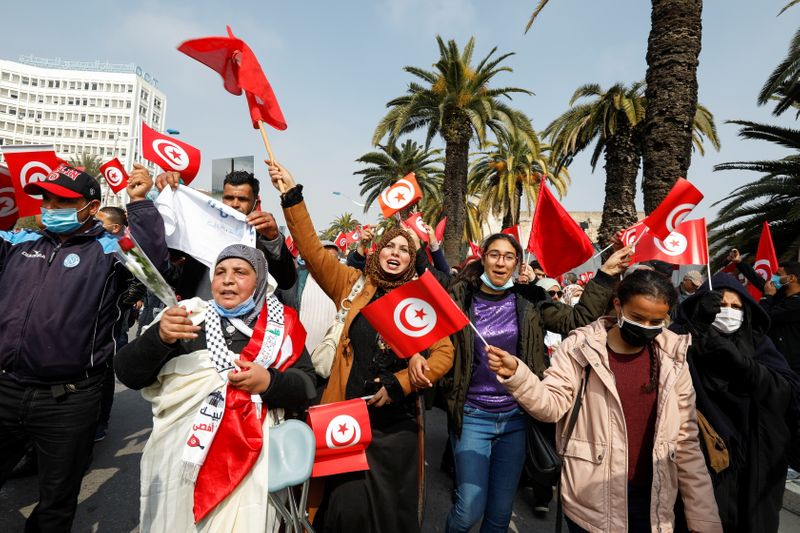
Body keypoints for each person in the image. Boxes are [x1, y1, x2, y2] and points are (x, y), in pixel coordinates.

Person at [268, 161, 454, 533]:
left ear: (411, 258)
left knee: (389, 518)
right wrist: (292, 197)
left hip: (395, 430)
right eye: (391, 245)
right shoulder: (353, 284)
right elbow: (313, 253)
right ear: (377, 250)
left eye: (405, 248)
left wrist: (402, 383)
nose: (397, 252)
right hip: (346, 418)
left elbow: (444, 355)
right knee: (344, 510)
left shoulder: (419, 299)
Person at [0, 163, 169, 532]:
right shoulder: (18, 242)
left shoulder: (109, 250)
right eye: (46, 198)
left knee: (56, 502)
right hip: (7, 388)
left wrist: (140, 204)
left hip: (70, 399)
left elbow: (153, 264)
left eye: (62, 200)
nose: (50, 205)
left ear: (91, 208)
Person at [488, 269, 722, 533]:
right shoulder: (580, 349)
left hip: (654, 503)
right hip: (592, 503)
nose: (645, 328)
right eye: (637, 317)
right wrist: (518, 376)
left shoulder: (674, 360)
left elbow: (686, 443)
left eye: (656, 321)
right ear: (618, 305)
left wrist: (704, 519)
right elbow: (551, 405)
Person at [437, 234, 631, 533]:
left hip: (517, 418)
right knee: (468, 510)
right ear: (483, 258)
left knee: (500, 514)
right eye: (494, 255)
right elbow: (432, 331)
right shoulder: (460, 296)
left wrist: (605, 275)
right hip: (473, 417)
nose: (501, 262)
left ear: (517, 263)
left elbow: (576, 319)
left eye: (508, 256)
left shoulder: (531, 299)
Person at [115, 243, 315, 531]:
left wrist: (269, 382)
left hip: (252, 464)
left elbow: (307, 387)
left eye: (240, 272)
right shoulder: (186, 318)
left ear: (259, 281)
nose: (228, 279)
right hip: (182, 462)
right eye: (220, 272)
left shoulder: (281, 327)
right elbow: (128, 374)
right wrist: (159, 338)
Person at [671, 272, 800, 532]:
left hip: (755, 462)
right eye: (720, 305)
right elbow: (663, 366)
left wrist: (746, 367)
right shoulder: (680, 339)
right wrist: (695, 330)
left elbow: (789, 391)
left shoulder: (758, 344)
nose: (728, 312)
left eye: (736, 307)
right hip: (699, 462)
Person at [156, 169, 297, 299]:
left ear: (255, 202)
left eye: (243, 199)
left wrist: (273, 239)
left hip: (244, 322)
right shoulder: (201, 227)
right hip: (196, 317)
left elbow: (286, 281)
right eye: (229, 198)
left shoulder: (265, 235)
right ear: (222, 198)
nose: (235, 204)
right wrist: (168, 193)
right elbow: (166, 254)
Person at [728, 248, 800, 376]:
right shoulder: (783, 294)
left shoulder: (796, 303)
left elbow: (766, 316)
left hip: (792, 363)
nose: (774, 277)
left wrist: (767, 297)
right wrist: (739, 262)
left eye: (779, 274)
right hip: (777, 357)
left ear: (792, 278)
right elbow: (760, 282)